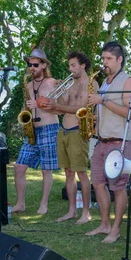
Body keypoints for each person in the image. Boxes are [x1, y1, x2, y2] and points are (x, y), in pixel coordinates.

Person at [85, 41, 131, 243]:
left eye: (108, 59)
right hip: (101, 141)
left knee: (118, 187)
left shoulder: (127, 81)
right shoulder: (104, 81)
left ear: (119, 60)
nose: (104, 62)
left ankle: (115, 229)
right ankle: (104, 224)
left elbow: (130, 112)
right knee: (97, 183)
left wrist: (103, 101)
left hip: (119, 142)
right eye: (103, 58)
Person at [42, 51, 97, 224]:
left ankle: (86, 212)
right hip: (63, 129)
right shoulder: (70, 84)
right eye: (69, 66)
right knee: (68, 173)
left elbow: (81, 109)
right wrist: (52, 102)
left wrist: (58, 105)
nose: (70, 69)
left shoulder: (92, 84)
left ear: (83, 65)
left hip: (77, 131)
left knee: (81, 172)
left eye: (73, 65)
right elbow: (63, 107)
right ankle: (72, 211)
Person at [13, 49, 60, 215]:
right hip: (32, 130)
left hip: (49, 128)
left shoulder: (53, 83)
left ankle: (44, 204)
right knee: (19, 167)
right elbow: (26, 107)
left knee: (46, 169)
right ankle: (20, 204)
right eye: (29, 64)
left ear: (44, 65)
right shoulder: (28, 85)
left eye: (35, 64)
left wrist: (39, 104)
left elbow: (60, 109)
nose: (31, 68)